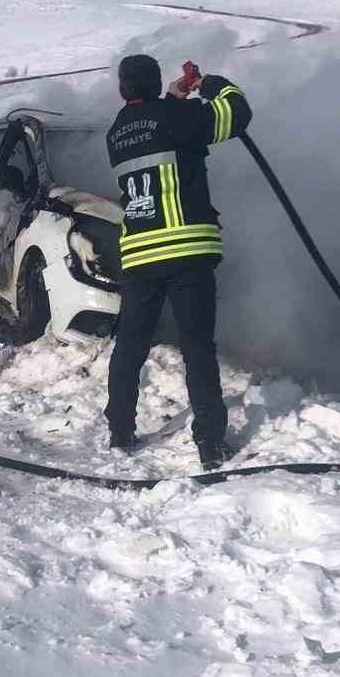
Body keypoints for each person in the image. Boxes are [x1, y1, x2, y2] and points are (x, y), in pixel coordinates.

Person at [104, 53, 252, 470]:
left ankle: (119, 430)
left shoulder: (117, 131)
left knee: (130, 345)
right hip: (186, 251)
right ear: (153, 86)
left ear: (122, 90)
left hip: (139, 256)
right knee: (197, 348)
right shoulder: (175, 120)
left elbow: (154, 126)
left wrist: (172, 97)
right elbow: (236, 114)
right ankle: (210, 444)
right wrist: (210, 84)